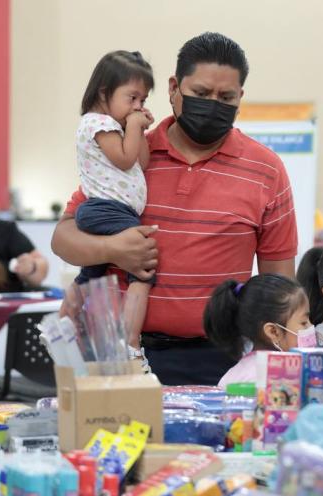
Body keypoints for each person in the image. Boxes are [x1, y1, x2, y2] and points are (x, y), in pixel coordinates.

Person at [52, 33, 298, 386]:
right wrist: (111, 250)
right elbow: (63, 237)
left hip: (221, 361)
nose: (212, 104)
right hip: (121, 358)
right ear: (173, 88)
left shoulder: (266, 170)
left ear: (240, 97)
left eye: (225, 97)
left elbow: (280, 286)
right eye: (200, 94)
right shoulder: (130, 153)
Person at [74, 50, 155, 347]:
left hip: (114, 210)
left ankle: (62, 324)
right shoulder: (98, 123)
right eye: (131, 98)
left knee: (91, 273)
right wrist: (134, 126)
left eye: (143, 101)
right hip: (107, 209)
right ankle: (130, 342)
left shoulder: (119, 127)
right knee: (143, 269)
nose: (137, 106)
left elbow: (140, 162)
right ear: (104, 92)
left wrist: (139, 130)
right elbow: (123, 160)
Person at [204, 274, 314, 387]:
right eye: (304, 323)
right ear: (273, 331)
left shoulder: (230, 376)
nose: (311, 327)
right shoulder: (283, 379)